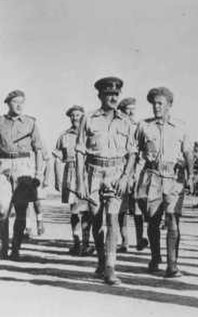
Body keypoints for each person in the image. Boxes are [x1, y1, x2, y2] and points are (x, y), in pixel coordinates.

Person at [75, 77, 137, 285]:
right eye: (109, 94)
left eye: (116, 94)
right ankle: (101, 259)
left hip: (116, 174)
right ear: (100, 95)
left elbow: (132, 153)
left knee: (112, 220)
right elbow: (80, 151)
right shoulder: (89, 118)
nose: (113, 97)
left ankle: (110, 266)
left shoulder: (126, 121)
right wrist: (81, 182)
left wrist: (126, 177)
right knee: (96, 220)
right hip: (93, 173)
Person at [135, 87, 191, 277]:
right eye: (154, 103)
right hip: (152, 177)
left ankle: (172, 264)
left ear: (169, 105)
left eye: (160, 103)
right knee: (153, 220)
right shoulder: (144, 126)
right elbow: (136, 153)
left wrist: (190, 175)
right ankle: (155, 257)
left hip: (173, 177)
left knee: (173, 218)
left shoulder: (181, 126)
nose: (156, 107)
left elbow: (187, 153)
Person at [0, 90, 45, 260]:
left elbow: (38, 150)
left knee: (21, 210)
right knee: (2, 210)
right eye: (15, 102)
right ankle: (3, 247)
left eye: (22, 102)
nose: (19, 105)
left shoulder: (30, 123)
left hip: (24, 168)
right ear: (8, 103)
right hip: (3, 167)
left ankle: (16, 248)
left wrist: (39, 173)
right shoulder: (0, 122)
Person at [53, 105, 93, 256]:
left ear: (83, 117)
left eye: (78, 115)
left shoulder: (90, 134)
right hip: (70, 174)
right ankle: (76, 242)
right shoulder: (64, 136)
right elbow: (57, 159)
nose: (75, 118)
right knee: (75, 211)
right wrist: (57, 179)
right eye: (73, 115)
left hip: (87, 173)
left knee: (88, 210)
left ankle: (86, 243)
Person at [116, 97, 148, 253]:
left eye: (133, 109)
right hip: (120, 171)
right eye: (129, 108)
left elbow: (142, 152)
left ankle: (140, 238)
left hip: (135, 172)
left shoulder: (138, 126)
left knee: (137, 210)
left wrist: (137, 173)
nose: (132, 112)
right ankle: (125, 241)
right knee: (121, 210)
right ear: (122, 109)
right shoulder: (117, 125)